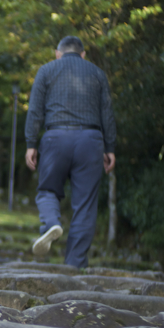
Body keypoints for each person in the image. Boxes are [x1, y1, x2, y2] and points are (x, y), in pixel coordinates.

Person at [25, 35, 117, 268]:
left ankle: (50, 223)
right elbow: (107, 113)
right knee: (85, 205)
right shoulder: (97, 73)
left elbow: (35, 111)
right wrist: (110, 148)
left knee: (47, 190)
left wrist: (31, 144)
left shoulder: (46, 71)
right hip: (91, 140)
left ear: (58, 53)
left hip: (56, 138)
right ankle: (75, 266)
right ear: (83, 54)